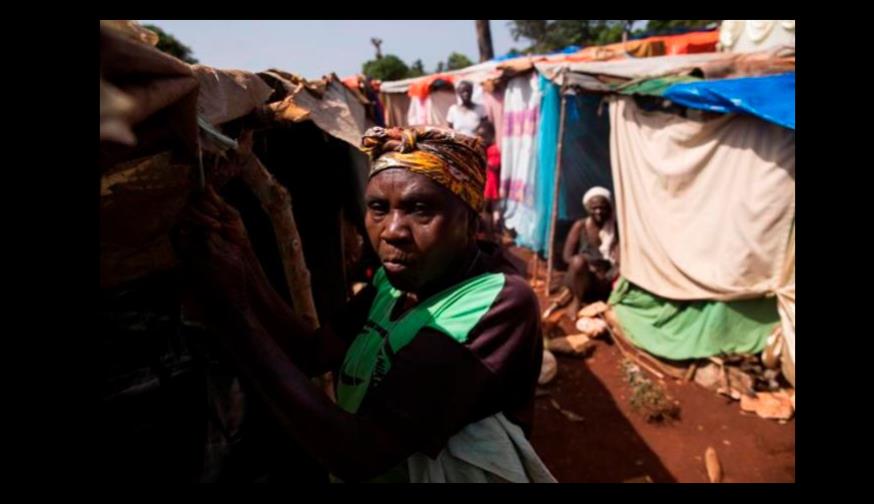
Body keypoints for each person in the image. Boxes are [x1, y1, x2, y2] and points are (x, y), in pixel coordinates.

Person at [176, 126, 554, 483]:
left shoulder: (497, 303)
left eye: (420, 209)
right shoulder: (394, 284)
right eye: (378, 208)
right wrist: (244, 257)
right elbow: (313, 351)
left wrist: (231, 313)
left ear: (471, 220)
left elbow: (360, 452)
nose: (392, 231)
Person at [562, 186, 620, 317]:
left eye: (602, 207)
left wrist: (613, 270)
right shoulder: (580, 226)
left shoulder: (614, 229)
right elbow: (567, 257)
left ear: (609, 208)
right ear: (588, 208)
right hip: (582, 277)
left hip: (604, 279)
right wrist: (588, 265)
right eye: (594, 208)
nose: (598, 211)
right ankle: (576, 301)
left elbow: (619, 256)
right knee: (577, 262)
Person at [474, 120, 502, 243]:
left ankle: (492, 235)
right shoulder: (480, 150)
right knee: (486, 210)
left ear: (492, 136)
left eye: (485, 136)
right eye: (480, 136)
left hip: (491, 185)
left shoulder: (493, 150)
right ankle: (489, 234)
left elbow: (495, 165)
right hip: (484, 185)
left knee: (489, 210)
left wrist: (485, 159)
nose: (482, 139)